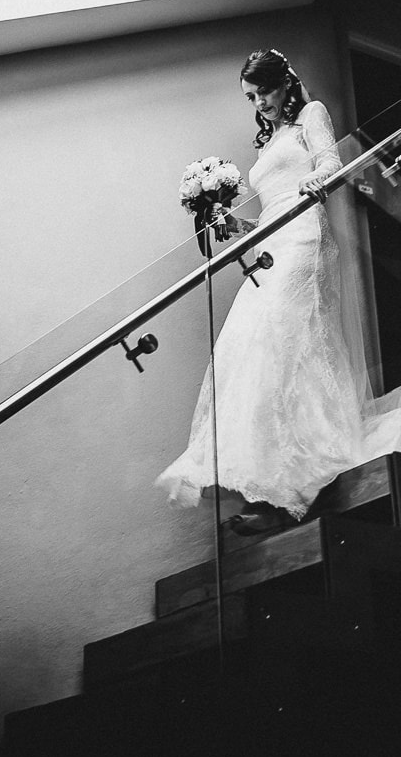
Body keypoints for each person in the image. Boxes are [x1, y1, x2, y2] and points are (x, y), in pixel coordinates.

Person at [155, 48, 371, 534]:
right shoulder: (269, 138)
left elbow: (329, 162)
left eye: (264, 92)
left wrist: (317, 181)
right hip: (273, 244)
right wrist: (237, 223)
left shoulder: (311, 115)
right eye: (251, 98)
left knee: (286, 345)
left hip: (305, 238)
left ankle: (297, 484)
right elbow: (270, 209)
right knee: (254, 350)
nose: (260, 104)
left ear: (285, 83)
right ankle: (280, 484)